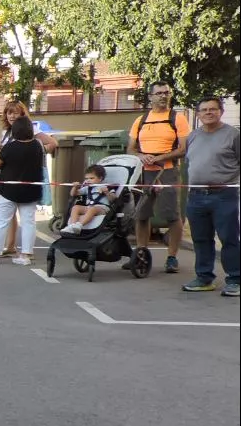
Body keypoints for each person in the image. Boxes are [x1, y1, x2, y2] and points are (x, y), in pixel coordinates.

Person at [127, 81, 190, 274]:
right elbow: (130, 148)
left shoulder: (177, 118)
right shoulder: (141, 120)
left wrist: (159, 158)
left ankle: (172, 257)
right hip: (144, 172)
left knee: (172, 215)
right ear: (151, 97)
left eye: (167, 93)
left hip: (168, 171)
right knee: (141, 214)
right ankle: (141, 254)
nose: (163, 96)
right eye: (159, 93)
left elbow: (183, 149)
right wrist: (141, 156)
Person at [180, 96, 239, 296]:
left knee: (229, 238)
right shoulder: (193, 136)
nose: (208, 113)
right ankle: (204, 278)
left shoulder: (233, 135)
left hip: (224, 195)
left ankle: (235, 279)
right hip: (196, 196)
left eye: (212, 109)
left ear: (220, 111)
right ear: (198, 114)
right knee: (201, 239)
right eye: (204, 110)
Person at [0, 100, 58, 258]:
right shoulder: (5, 133)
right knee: (10, 216)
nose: (12, 116)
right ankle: (10, 245)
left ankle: (9, 250)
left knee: (22, 217)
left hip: (27, 177)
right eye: (9, 112)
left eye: (15, 112)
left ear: (22, 114)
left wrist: (39, 152)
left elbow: (53, 143)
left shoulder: (32, 130)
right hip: (9, 177)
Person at [0, 116, 45, 266]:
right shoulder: (37, 146)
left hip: (8, 190)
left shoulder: (10, 147)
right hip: (31, 191)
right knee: (28, 222)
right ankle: (25, 255)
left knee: (1, 222)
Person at [61, 165, 116, 235]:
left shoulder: (107, 187)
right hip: (89, 207)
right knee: (75, 207)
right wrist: (75, 187)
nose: (88, 180)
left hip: (102, 208)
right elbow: (73, 194)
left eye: (91, 178)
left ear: (100, 178)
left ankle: (79, 225)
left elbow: (113, 199)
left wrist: (107, 192)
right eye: (86, 178)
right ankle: (72, 226)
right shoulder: (87, 188)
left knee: (92, 209)